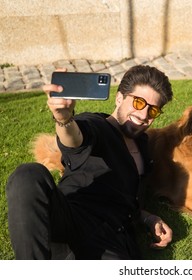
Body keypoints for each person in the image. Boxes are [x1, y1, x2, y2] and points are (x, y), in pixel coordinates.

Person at [6, 65, 173, 259]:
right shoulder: (96, 125)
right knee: (27, 175)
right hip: (71, 220)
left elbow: (128, 201)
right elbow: (74, 140)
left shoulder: (144, 146)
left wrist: (148, 218)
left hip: (112, 240)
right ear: (119, 98)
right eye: (138, 103)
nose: (144, 115)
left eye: (152, 111)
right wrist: (64, 118)